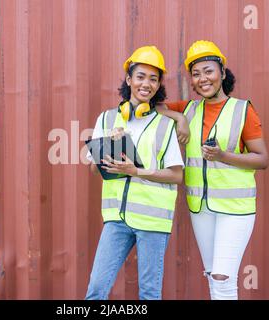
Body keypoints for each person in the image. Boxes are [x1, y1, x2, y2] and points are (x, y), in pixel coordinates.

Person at [157, 40, 269, 300]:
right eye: (195, 74)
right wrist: (180, 118)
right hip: (201, 208)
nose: (202, 79)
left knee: (223, 278)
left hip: (236, 209)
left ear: (222, 72)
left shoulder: (243, 110)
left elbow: (262, 159)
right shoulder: (190, 109)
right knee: (212, 275)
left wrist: (223, 156)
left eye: (208, 71)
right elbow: (153, 107)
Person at [85, 46, 185, 300]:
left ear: (159, 84)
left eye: (153, 79)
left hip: (153, 221)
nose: (146, 84)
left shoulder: (165, 125)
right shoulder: (107, 119)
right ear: (129, 79)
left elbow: (176, 175)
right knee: (96, 290)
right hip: (116, 218)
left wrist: (136, 171)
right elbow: (94, 166)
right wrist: (112, 145)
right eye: (140, 76)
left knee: (149, 294)